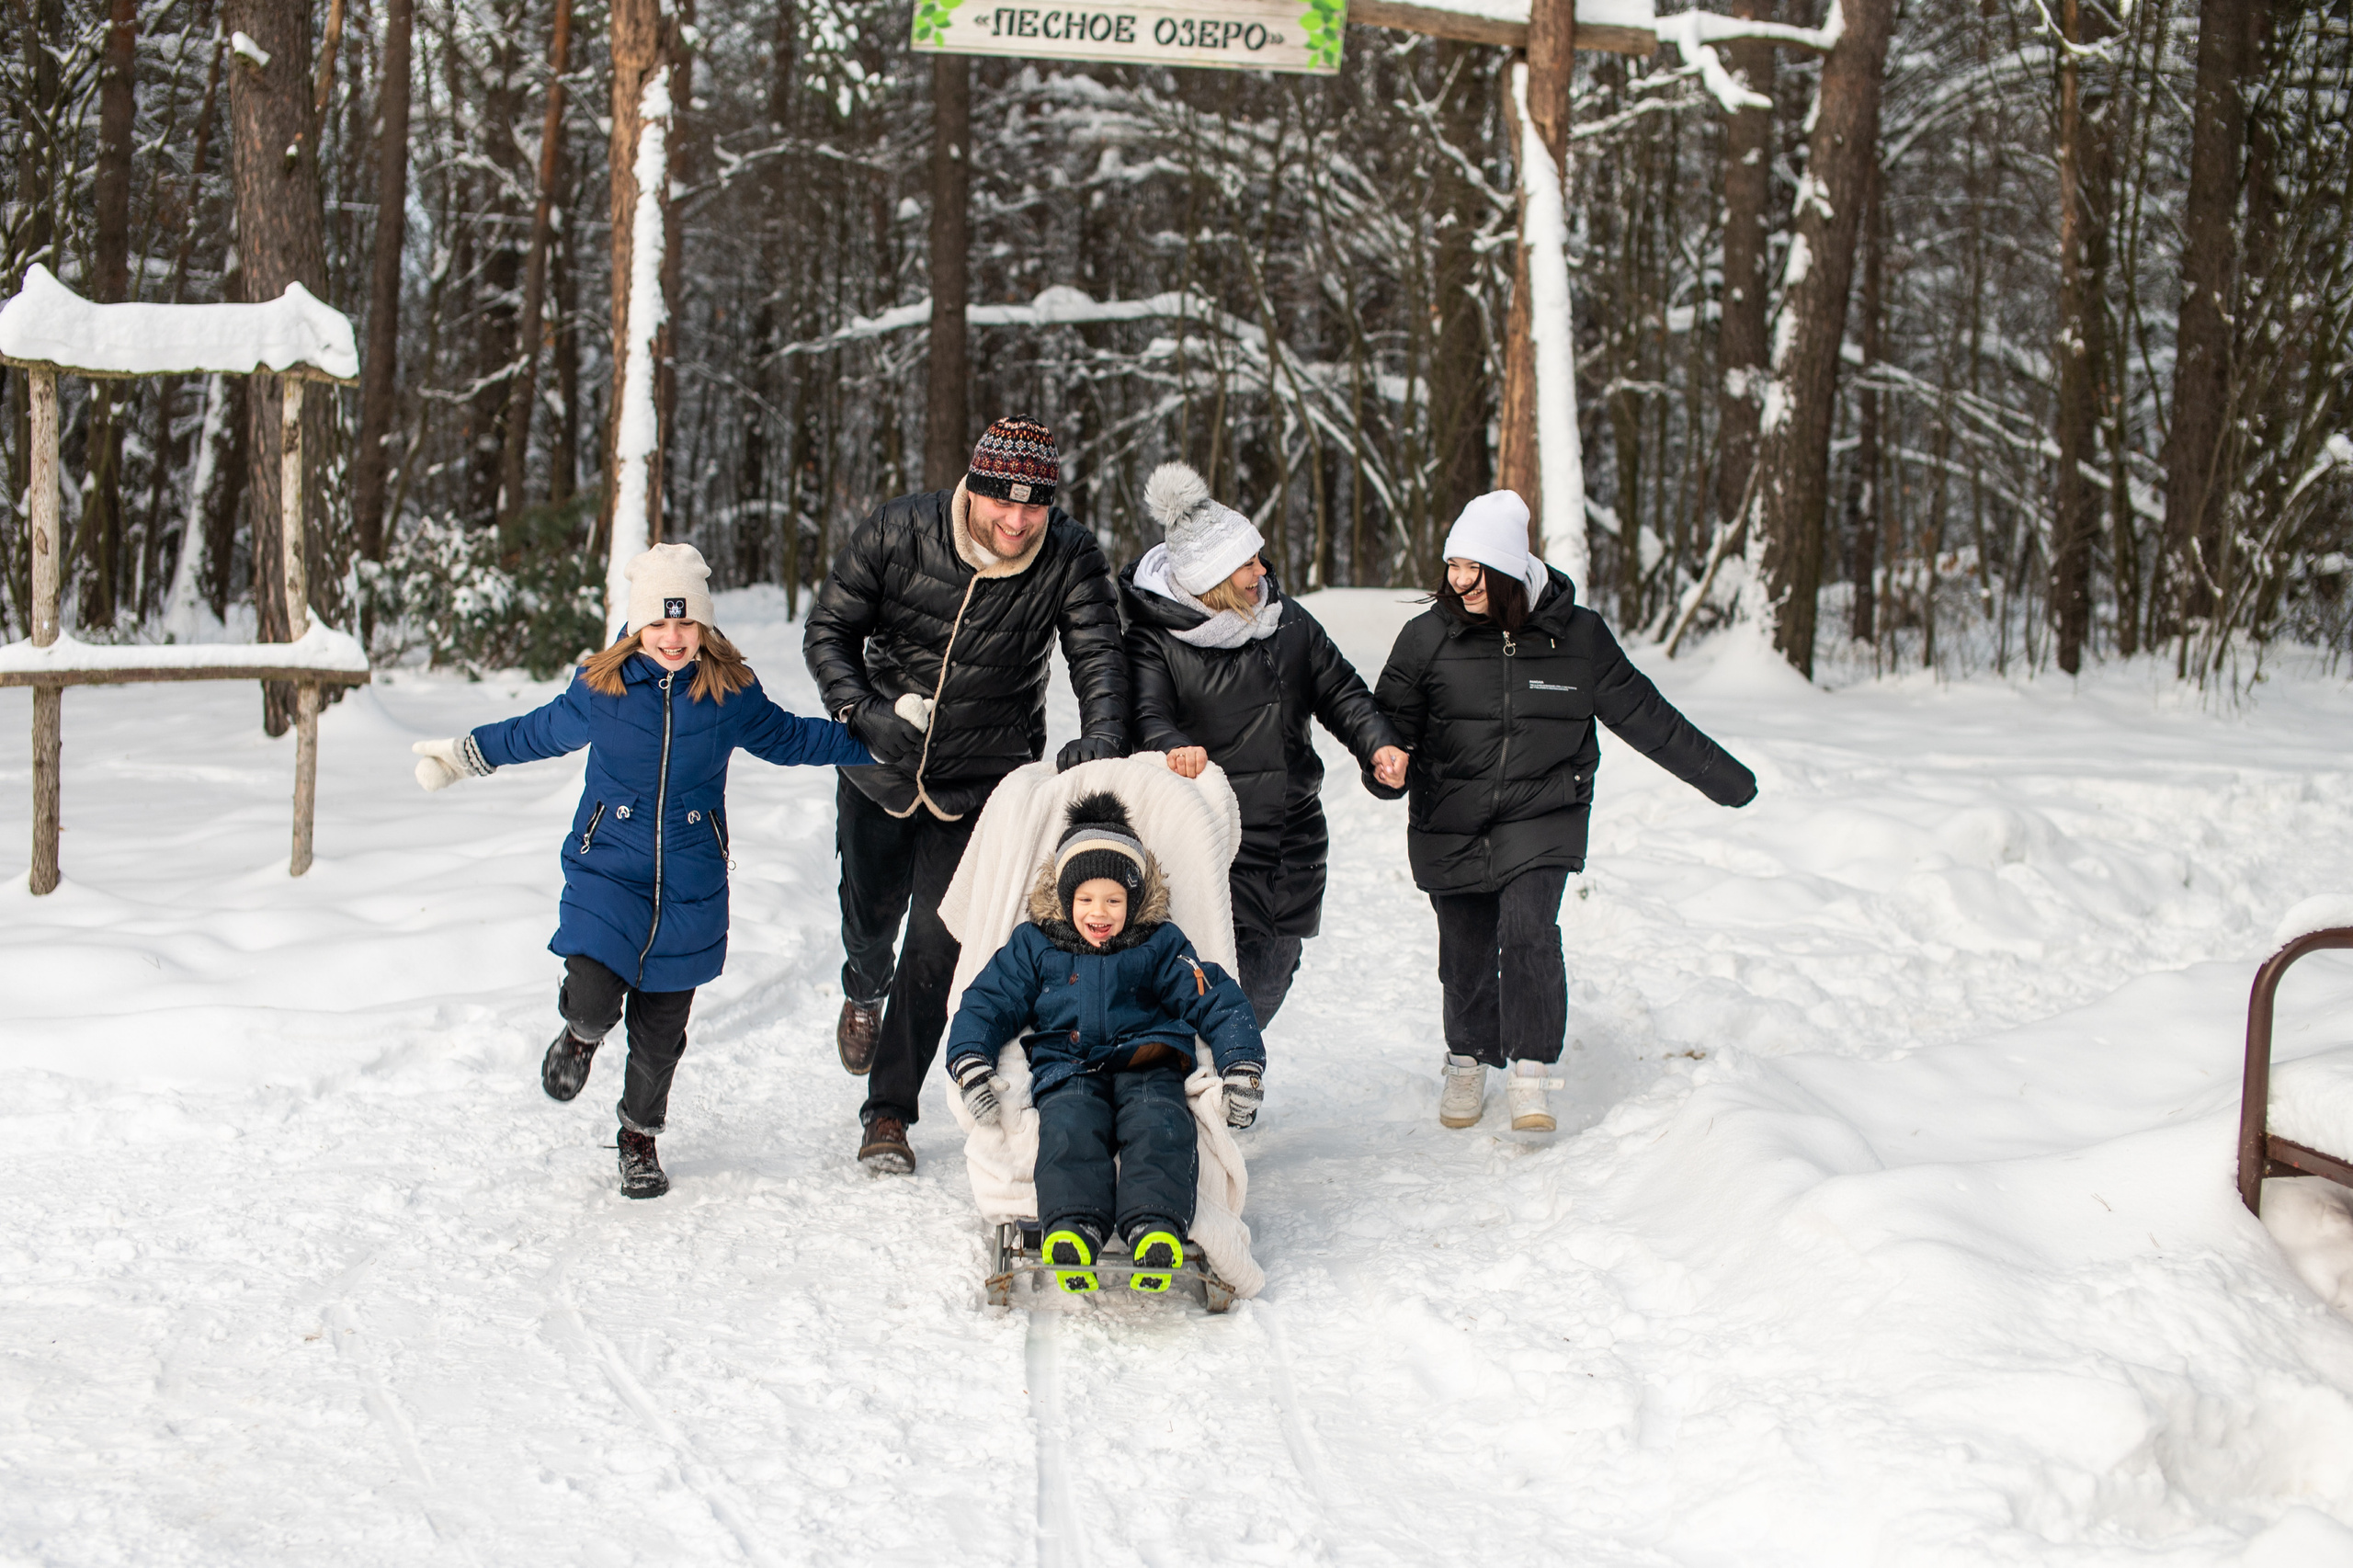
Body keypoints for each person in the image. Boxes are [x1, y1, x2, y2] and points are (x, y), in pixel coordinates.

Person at [411, 544, 872, 1198]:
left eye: (686, 624)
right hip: (608, 869)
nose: (674, 637)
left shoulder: (729, 692)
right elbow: (536, 731)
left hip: (691, 882)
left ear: (704, 626)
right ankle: (580, 1034)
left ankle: (638, 1137)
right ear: (637, 627)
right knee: (597, 995)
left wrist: (880, 735)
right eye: (660, 623)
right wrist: (466, 755)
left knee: (660, 1037)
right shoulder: (600, 688)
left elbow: (794, 737)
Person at [1370, 493, 1756, 1134]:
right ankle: (1467, 1058)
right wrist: (1386, 768)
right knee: (1464, 951)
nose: (1458, 582)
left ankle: (1530, 1071)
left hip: (1544, 812)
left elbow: (1647, 717)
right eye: (1453, 567)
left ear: (1508, 571)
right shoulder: (1426, 637)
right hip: (1452, 816)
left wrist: (1728, 782)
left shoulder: (1578, 638)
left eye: (1473, 569)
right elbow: (1387, 729)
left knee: (1528, 931)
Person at [804, 416, 1130, 1174]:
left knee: (938, 945)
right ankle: (862, 985)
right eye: (1002, 505)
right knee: (872, 916)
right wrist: (863, 713)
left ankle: (888, 1112)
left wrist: (1104, 735)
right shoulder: (900, 530)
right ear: (972, 487)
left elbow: (1098, 656)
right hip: (878, 768)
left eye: (1035, 508)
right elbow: (829, 629)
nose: (1017, 523)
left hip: (984, 783)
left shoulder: (1070, 556)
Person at [1121, 460, 1407, 1033]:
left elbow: (1342, 691)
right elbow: (1147, 716)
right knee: (1198, 971)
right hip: (1208, 835)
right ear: (1211, 577)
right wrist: (1174, 748)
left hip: (1289, 834)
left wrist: (1378, 744)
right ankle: (1196, 1081)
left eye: (1258, 558)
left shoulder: (1288, 622)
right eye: (1247, 563)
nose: (1262, 571)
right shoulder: (1155, 641)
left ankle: (1228, 1068)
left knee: (1273, 970)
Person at [942, 792, 1264, 1293]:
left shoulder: (1159, 943)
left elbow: (1214, 997)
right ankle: (1075, 1227)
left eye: (1114, 900)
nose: (1100, 912)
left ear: (1133, 902)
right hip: (1067, 1066)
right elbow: (987, 1001)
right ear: (1066, 898)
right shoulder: (1035, 944)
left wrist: (1241, 1064)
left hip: (1148, 1061)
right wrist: (971, 1063)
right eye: (1086, 899)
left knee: (1160, 1125)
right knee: (1069, 1129)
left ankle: (1154, 1227)